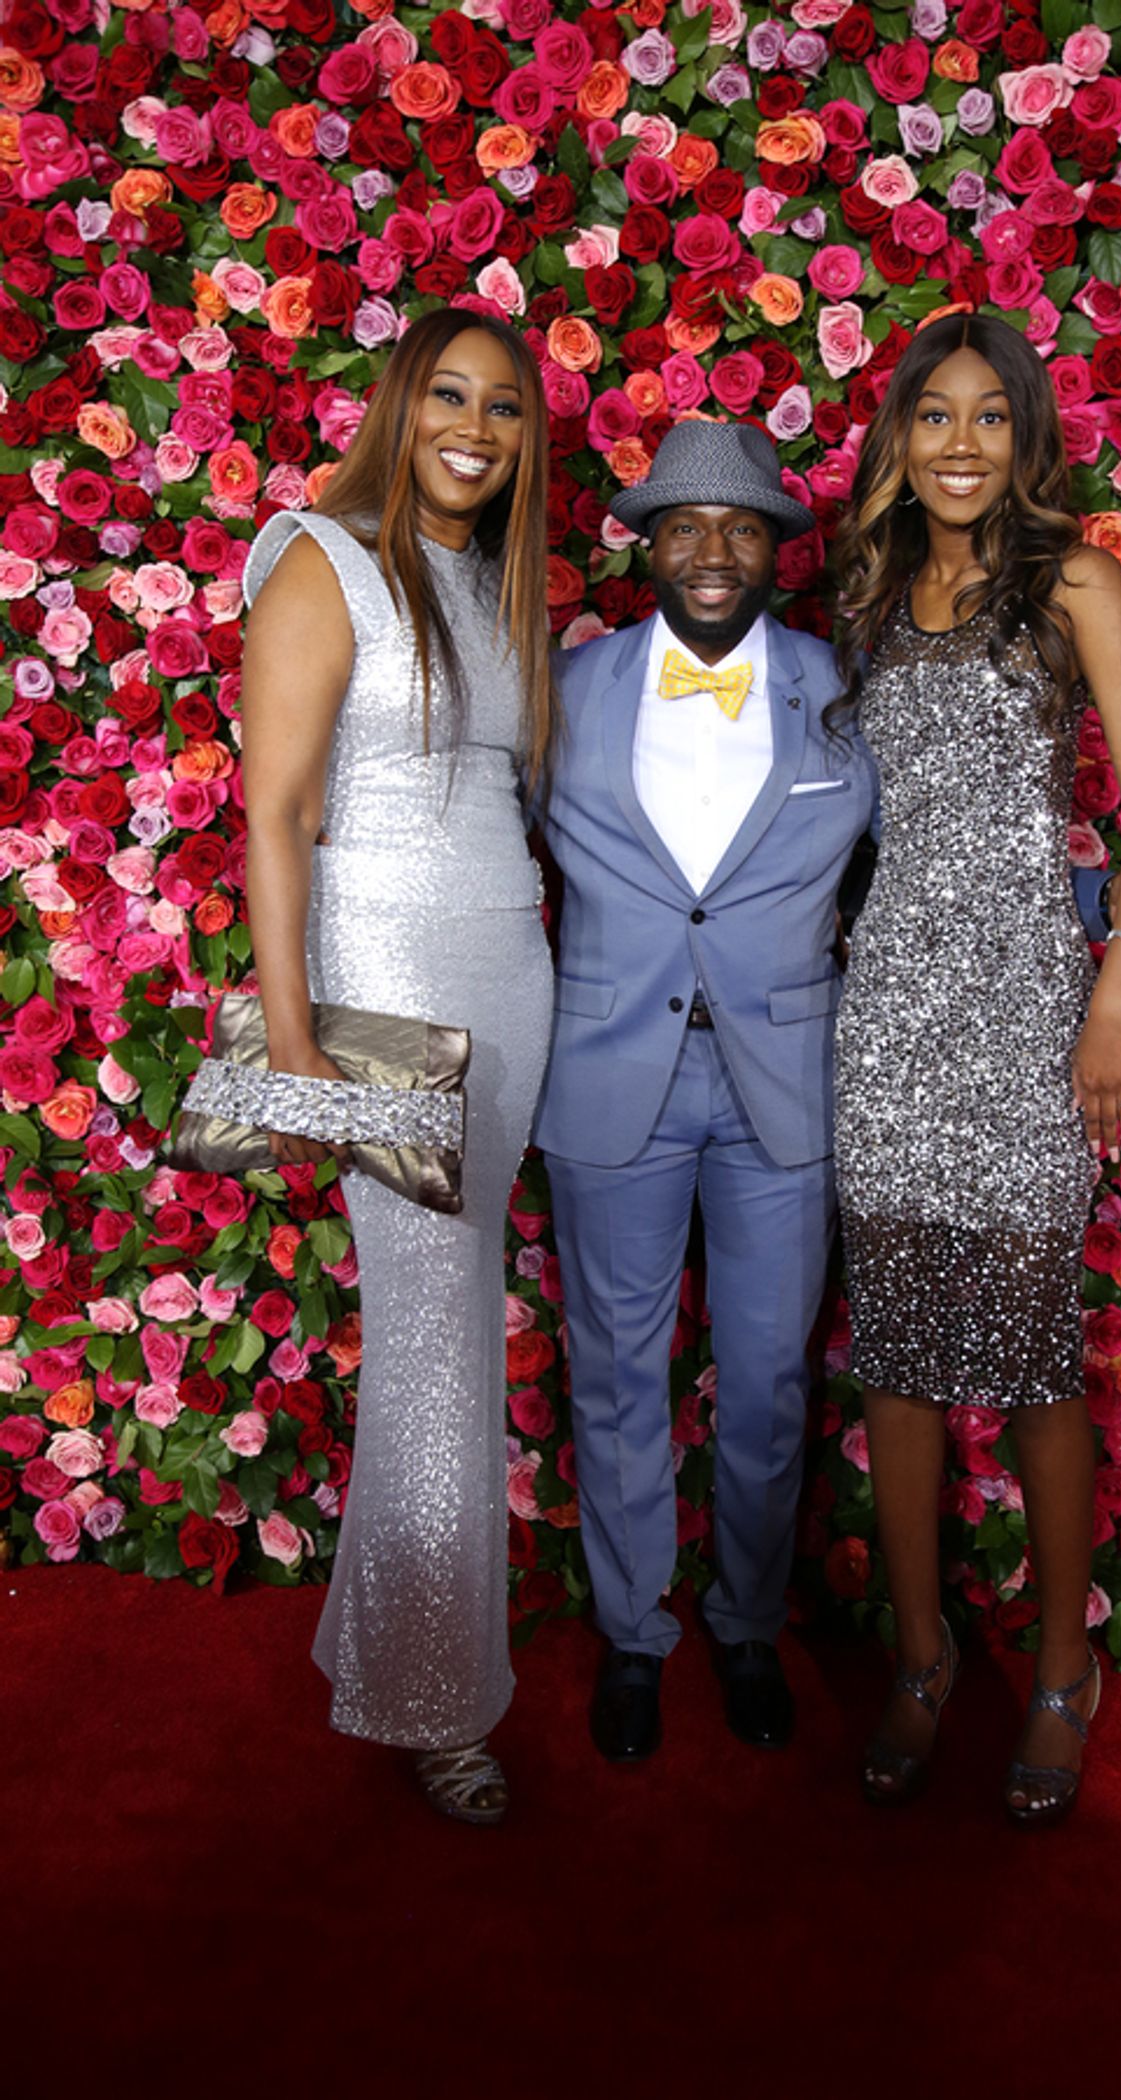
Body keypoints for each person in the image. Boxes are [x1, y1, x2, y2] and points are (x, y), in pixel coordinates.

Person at [830, 312, 1121, 1825]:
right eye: (934, 417)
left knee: (1038, 1359)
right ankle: (921, 1658)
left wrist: (1116, 1000)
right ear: (899, 440)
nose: (962, 444)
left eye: (990, 416)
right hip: (886, 1016)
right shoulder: (859, 601)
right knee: (899, 1362)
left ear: (1023, 436)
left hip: (1038, 1010)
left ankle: (1058, 1668)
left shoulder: (1074, 584)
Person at [240, 308, 556, 1825]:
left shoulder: (498, 584)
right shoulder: (322, 554)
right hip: (385, 982)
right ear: (400, 400)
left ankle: (391, 1647)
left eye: (504, 408)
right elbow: (278, 808)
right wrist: (296, 1036)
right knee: (431, 1336)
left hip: (515, 977)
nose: (476, 429)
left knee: (459, 1324)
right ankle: (437, 1708)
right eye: (451, 394)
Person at [535, 422, 874, 1760]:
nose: (713, 550)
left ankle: (743, 1621)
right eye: (686, 527)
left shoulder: (842, 693)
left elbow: (928, 866)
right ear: (648, 545)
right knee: (616, 1372)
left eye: (740, 527)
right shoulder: (565, 689)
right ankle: (633, 1635)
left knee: (770, 1381)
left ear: (778, 550)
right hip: (608, 1074)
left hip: (782, 1087)